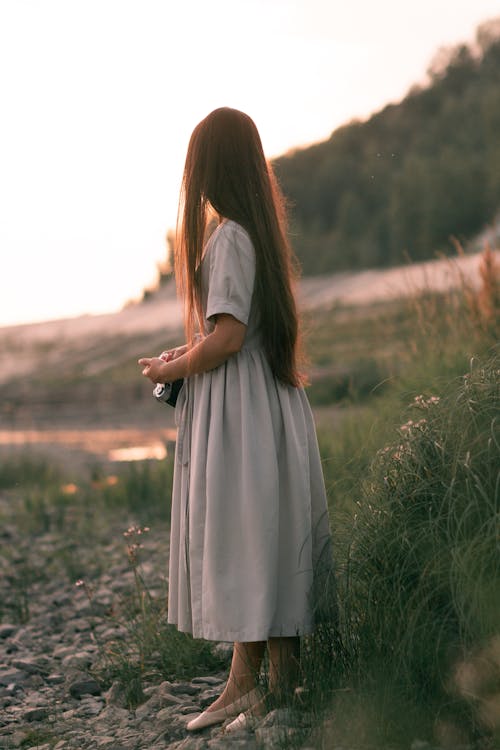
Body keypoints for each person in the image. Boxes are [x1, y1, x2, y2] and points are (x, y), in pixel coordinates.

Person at [138, 107, 333, 732]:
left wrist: (172, 370)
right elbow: (233, 334)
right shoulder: (260, 234)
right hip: (268, 400)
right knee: (272, 535)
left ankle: (248, 687)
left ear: (208, 169)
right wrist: (185, 352)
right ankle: (279, 684)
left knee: (247, 536)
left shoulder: (228, 237)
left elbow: (226, 339)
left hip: (241, 410)